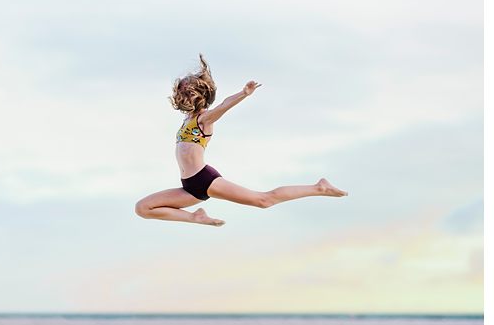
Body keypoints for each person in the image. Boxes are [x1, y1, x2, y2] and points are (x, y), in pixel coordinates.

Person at [135, 53, 348, 227]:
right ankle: (195, 217)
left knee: (264, 200)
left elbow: (222, 106)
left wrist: (243, 94)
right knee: (143, 208)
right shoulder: (187, 119)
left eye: (185, 91)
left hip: (204, 179)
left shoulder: (204, 120)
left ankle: (319, 187)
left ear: (196, 96)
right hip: (189, 187)